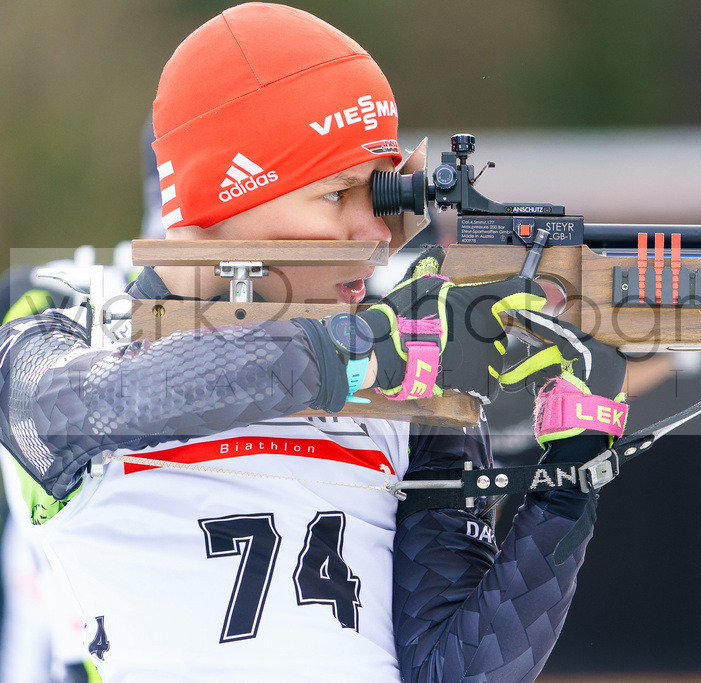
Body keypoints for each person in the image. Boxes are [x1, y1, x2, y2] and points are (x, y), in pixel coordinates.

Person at [0, 4, 630, 681]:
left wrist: (569, 480)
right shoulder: (62, 330)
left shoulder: (408, 382)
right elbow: (101, 399)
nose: (378, 235)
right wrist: (365, 350)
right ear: (229, 198)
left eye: (381, 194)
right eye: (337, 196)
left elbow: (454, 671)